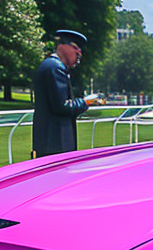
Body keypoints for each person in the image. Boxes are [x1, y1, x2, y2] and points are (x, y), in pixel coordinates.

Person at [31, 29, 101, 157]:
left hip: (47, 141)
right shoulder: (56, 68)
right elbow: (62, 106)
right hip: (55, 143)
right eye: (77, 51)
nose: (78, 57)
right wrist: (86, 101)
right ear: (66, 47)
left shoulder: (49, 65)